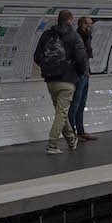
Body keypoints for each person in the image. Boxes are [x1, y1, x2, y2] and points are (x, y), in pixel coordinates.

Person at [33, 10, 88, 153]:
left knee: (60, 112)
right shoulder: (74, 36)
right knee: (61, 114)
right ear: (70, 20)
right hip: (67, 80)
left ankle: (71, 139)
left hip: (51, 81)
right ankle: (53, 144)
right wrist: (81, 73)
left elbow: (37, 56)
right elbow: (81, 58)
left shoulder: (47, 35)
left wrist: (48, 68)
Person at [69, 15, 96, 141]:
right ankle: (72, 132)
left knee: (82, 103)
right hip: (79, 73)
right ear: (84, 24)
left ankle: (80, 131)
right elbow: (80, 56)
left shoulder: (86, 36)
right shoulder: (77, 37)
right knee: (75, 103)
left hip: (85, 72)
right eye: (90, 23)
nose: (92, 26)